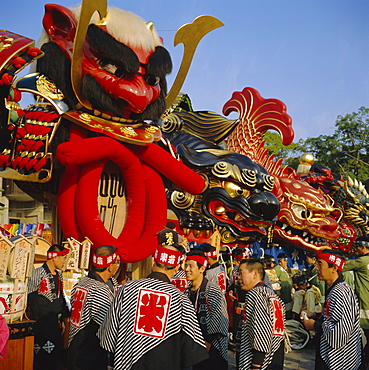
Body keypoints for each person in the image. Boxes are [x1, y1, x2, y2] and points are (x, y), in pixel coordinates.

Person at [97, 244, 208, 369]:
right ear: (177, 268)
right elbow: (192, 347)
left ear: (153, 262)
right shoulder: (180, 299)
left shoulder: (127, 289)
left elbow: (109, 334)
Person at [303, 249, 362, 370]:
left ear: (334, 268)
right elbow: (334, 317)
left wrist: (315, 325)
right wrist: (316, 315)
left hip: (340, 360)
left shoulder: (341, 292)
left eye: (320, 264)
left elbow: (340, 333)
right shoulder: (334, 290)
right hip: (331, 356)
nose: (317, 268)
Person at [67, 245, 120, 370]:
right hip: (88, 350)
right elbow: (107, 324)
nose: (118, 266)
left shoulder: (82, 282)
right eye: (117, 262)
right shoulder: (99, 289)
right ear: (110, 266)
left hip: (75, 343)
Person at [27, 244, 70, 370]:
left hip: (54, 321)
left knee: (54, 355)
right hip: (39, 321)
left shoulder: (59, 275)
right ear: (54, 258)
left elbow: (60, 298)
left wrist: (62, 319)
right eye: (62, 257)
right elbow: (28, 297)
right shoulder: (37, 273)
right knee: (40, 356)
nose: (64, 261)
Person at [184, 250, 229, 370]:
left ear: (202, 268)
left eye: (191, 266)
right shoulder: (187, 291)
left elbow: (220, 319)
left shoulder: (212, 290)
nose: (187, 269)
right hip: (193, 345)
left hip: (212, 346)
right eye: (185, 265)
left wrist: (208, 340)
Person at [238, 258, 285, 370]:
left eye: (241, 273)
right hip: (275, 356)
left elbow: (261, 331)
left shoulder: (255, 294)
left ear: (255, 274)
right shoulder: (270, 294)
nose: (238, 278)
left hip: (262, 362)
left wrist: (256, 364)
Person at [342, 236, 369, 367]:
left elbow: (340, 266)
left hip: (365, 307)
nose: (355, 250)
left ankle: (362, 364)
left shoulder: (362, 261)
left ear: (363, 247)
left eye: (357, 247)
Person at [274, 252, 297, 318]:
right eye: (278, 261)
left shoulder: (291, 271)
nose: (280, 263)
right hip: (282, 296)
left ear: (286, 261)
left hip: (291, 295)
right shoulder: (277, 270)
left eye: (281, 261)